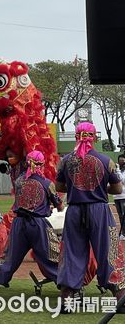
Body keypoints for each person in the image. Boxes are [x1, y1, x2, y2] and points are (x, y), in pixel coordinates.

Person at [56, 122, 125, 311]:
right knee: (108, 251)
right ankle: (119, 298)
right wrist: (100, 188)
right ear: (93, 137)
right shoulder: (106, 160)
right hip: (99, 211)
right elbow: (117, 188)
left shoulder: (65, 161)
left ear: (77, 137)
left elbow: (60, 187)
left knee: (72, 253)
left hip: (75, 210)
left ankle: (66, 300)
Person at [0, 150, 63, 297]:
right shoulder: (47, 184)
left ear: (27, 163)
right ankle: (69, 291)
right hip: (38, 225)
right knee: (51, 258)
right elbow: (59, 206)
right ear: (42, 164)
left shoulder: (19, 181)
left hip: (19, 223)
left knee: (8, 258)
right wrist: (49, 206)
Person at [114, 154, 125, 240]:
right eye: (121, 161)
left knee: (124, 215)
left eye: (124, 161)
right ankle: (123, 232)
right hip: (117, 197)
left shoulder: (119, 171)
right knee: (120, 216)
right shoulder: (116, 170)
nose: (122, 163)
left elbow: (121, 180)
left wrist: (117, 169)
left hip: (124, 196)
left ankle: (124, 233)